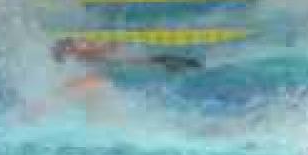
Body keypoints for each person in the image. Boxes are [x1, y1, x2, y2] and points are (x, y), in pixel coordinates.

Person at [22, 37, 202, 122]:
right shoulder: (89, 80)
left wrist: (162, 60)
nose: (96, 44)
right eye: (87, 44)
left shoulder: (95, 69)